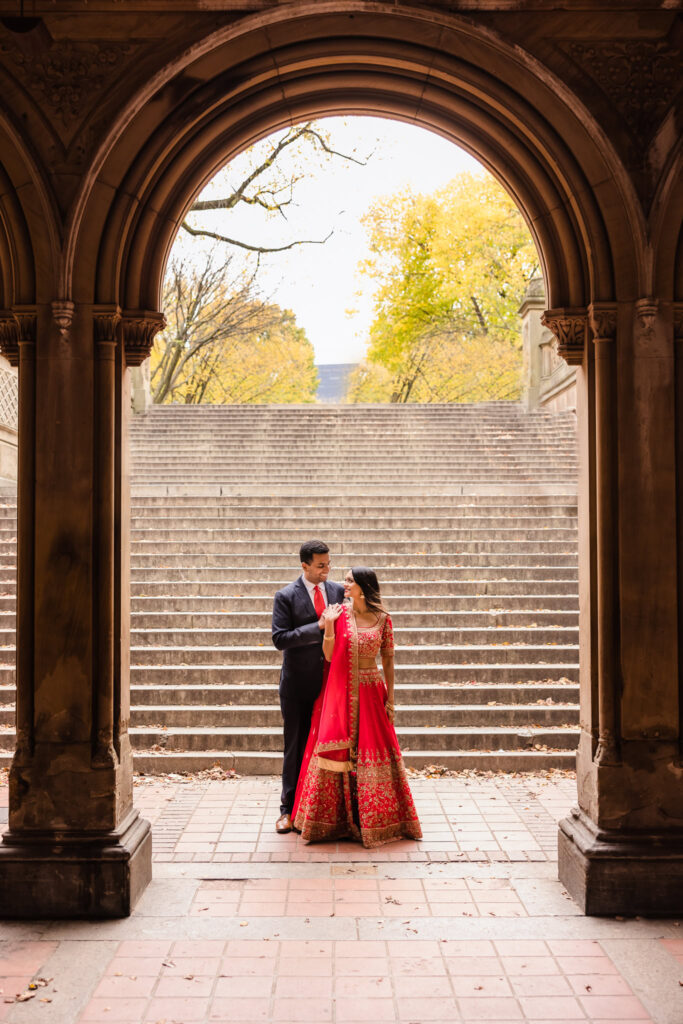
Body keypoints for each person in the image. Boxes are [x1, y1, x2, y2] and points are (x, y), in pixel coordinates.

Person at [292, 566, 422, 848]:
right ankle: (337, 819)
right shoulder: (339, 614)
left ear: (363, 586)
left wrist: (391, 698)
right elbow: (328, 655)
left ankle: (377, 820)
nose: (344, 584)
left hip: (372, 691)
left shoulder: (383, 619)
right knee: (344, 751)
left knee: (374, 749)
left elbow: (388, 661)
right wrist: (328, 627)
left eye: (350, 580)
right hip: (343, 693)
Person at [271, 540, 345, 834]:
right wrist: (319, 627)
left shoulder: (339, 591)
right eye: (320, 565)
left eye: (328, 564)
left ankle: (327, 810)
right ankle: (287, 811)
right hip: (298, 685)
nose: (327, 570)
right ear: (304, 566)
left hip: (332, 682)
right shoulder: (286, 596)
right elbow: (280, 639)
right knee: (295, 747)